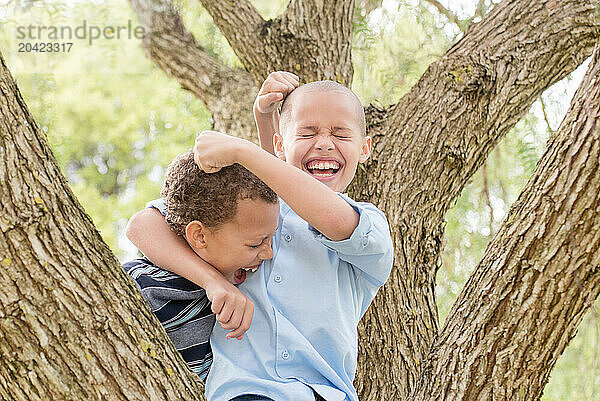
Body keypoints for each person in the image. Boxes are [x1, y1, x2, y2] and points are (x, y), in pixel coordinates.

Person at [128, 72, 394, 401]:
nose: (324, 143)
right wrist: (214, 281)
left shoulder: (370, 227)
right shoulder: (256, 212)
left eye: (340, 133)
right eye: (307, 132)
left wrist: (245, 151)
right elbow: (143, 225)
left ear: (364, 148)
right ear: (281, 146)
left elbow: (333, 218)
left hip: (321, 393)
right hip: (242, 390)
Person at [123, 150, 279, 381]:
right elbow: (140, 224)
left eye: (271, 238)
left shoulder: (236, 281)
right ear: (200, 237)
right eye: (256, 244)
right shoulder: (146, 287)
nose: (269, 253)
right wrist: (212, 281)